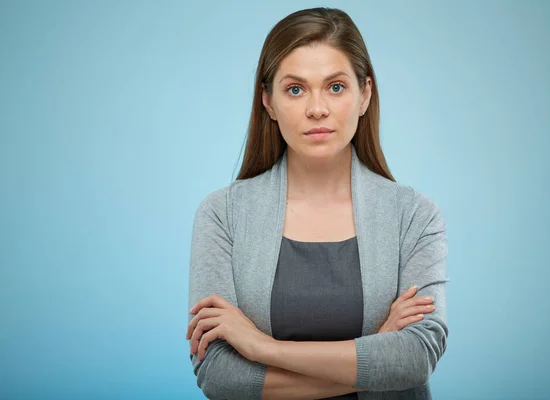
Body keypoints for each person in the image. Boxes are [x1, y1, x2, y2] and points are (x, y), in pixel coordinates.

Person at [185, 7, 449, 400]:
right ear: (268, 102)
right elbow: (219, 375)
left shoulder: (413, 215)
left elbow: (415, 358)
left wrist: (262, 347)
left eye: (336, 86)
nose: (317, 108)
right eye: (295, 89)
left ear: (365, 94)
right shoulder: (223, 214)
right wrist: (376, 350)